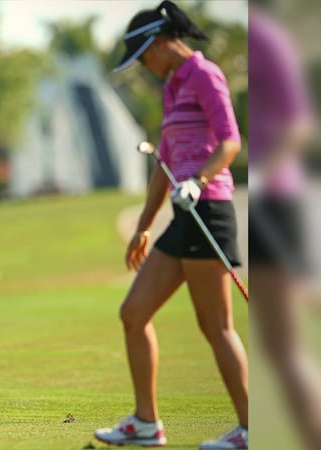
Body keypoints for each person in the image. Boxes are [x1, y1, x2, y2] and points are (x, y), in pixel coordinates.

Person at [94, 2, 248, 448]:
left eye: (144, 57)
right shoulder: (172, 86)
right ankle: (147, 424)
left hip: (210, 209)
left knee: (215, 325)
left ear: (160, 44)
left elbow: (230, 141)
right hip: (184, 215)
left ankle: (253, 428)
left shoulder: (204, 74)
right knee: (134, 313)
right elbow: (163, 164)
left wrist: (199, 181)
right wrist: (144, 226)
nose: (144, 66)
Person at [248, 3, 321, 449]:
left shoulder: (266, 37)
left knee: (287, 349)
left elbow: (298, 125)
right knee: (282, 351)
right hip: (266, 206)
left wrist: (261, 172)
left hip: (277, 201)